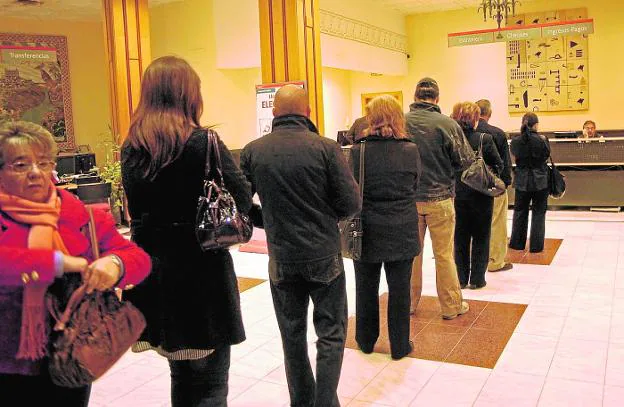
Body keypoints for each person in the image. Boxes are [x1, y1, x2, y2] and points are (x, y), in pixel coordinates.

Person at [121, 56, 253, 407]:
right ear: (188, 94)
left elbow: (136, 212)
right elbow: (239, 195)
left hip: (155, 276)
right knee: (211, 384)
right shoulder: (203, 142)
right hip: (203, 278)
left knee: (181, 377)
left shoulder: (131, 148)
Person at [0, 121, 151, 406]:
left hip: (73, 351)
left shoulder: (79, 215)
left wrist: (115, 264)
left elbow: (138, 259)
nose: (35, 172)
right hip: (7, 357)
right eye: (21, 165)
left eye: (43, 163)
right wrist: (60, 262)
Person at [240, 85, 361, 407]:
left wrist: (267, 219)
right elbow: (350, 203)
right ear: (308, 112)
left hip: (282, 256)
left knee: (292, 337)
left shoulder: (253, 151)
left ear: (274, 113)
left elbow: (239, 203)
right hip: (324, 255)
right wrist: (323, 217)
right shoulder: (326, 147)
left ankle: (302, 402)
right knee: (331, 334)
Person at [351, 95, 421, 360]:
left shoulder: (359, 150)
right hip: (402, 225)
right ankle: (400, 346)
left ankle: (366, 341)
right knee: (399, 289)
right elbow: (415, 184)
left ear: (371, 117)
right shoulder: (410, 149)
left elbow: (352, 189)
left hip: (367, 228)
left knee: (365, 287)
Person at [405, 77, 473, 319]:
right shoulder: (447, 124)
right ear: (437, 99)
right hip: (441, 198)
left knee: (412, 254)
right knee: (444, 255)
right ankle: (451, 306)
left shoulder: (401, 122)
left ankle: (409, 304)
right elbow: (464, 160)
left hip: (408, 201)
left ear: (415, 97)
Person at [451, 102, 503, 289]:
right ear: (475, 119)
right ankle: (477, 279)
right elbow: (499, 164)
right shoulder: (485, 139)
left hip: (458, 195)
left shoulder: (452, 140)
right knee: (481, 236)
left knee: (460, 237)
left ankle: (461, 278)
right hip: (481, 195)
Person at [475, 99, 513, 273]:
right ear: (489, 114)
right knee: (497, 223)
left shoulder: (462, 132)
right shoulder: (497, 134)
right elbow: (505, 163)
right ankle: (495, 261)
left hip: (470, 186)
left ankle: (473, 259)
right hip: (493, 186)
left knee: (472, 223)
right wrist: (505, 183)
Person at [509, 112, 551, 253]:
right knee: (539, 213)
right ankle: (536, 246)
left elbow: (515, 155)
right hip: (540, 181)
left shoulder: (516, 141)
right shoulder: (542, 140)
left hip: (521, 180)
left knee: (520, 212)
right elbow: (546, 156)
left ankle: (517, 243)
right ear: (536, 124)